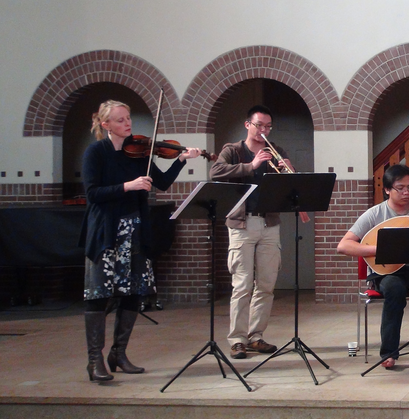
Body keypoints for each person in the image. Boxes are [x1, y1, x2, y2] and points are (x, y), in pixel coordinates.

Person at [80, 100, 201, 381]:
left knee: (134, 292)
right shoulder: (95, 152)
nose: (128, 123)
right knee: (99, 294)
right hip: (106, 231)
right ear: (105, 124)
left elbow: (162, 183)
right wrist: (128, 186)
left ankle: (118, 354)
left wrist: (181, 160)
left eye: (128, 118)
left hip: (135, 229)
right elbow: (92, 193)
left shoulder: (139, 153)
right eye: (120, 120)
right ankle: (94, 360)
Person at [336, 164, 409, 369]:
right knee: (395, 290)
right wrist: (379, 249)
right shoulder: (375, 214)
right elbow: (343, 245)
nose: (407, 192)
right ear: (388, 190)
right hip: (385, 271)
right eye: (400, 188)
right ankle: (388, 352)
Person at [210, 105, 294, 360]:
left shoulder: (276, 150)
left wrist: (288, 170)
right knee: (242, 285)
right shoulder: (233, 150)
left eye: (268, 126)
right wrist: (251, 165)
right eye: (259, 125)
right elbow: (216, 172)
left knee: (266, 284)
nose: (263, 130)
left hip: (269, 223)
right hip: (242, 224)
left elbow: (289, 185)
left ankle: (256, 336)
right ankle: (237, 340)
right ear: (248, 125)